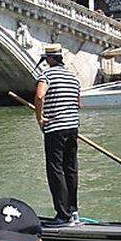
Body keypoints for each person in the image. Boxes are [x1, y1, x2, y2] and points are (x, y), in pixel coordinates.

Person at [34, 43, 81, 226]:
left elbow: (39, 96)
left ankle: (62, 215)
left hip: (55, 128)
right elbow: (78, 104)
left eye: (46, 59)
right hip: (73, 127)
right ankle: (74, 211)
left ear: (51, 59)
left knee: (55, 169)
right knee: (71, 169)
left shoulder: (46, 75)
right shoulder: (73, 77)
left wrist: (40, 118)